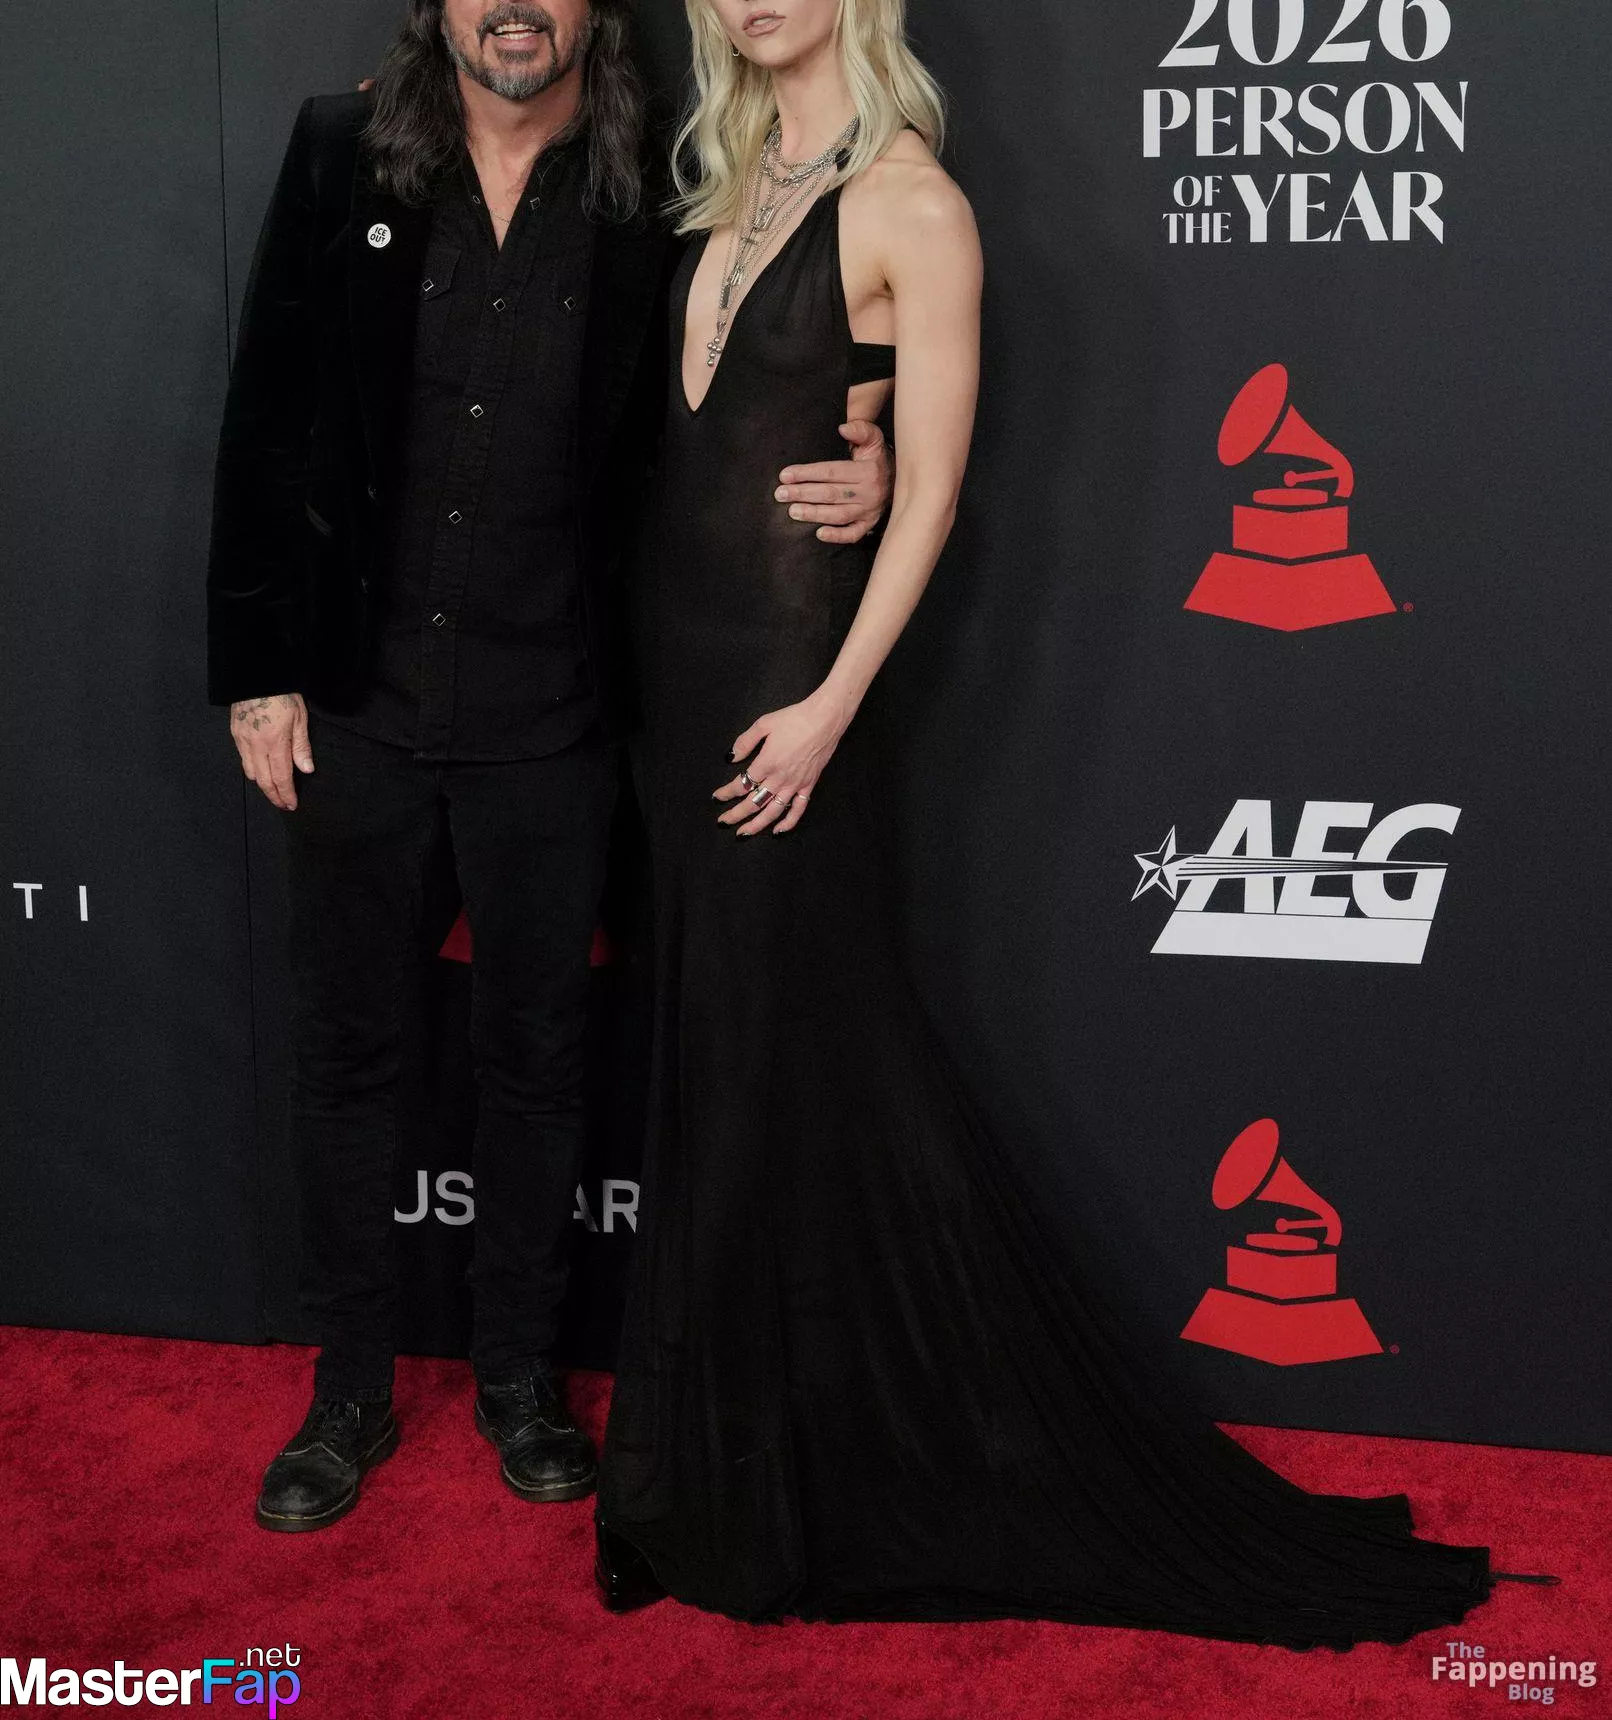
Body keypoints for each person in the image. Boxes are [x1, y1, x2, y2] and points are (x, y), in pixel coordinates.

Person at [590, 0, 1558, 1645]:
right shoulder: (719, 193)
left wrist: (830, 707)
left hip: (789, 703)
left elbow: (933, 494)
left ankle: (783, 1478)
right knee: (724, 1071)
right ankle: (710, 1466)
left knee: (792, 1071)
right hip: (675, 697)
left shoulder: (913, 202)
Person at [205, 0, 892, 1534]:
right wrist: (256, 670)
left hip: (558, 715)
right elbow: (268, 417)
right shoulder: (340, 151)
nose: (514, 5)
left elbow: (761, 360)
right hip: (356, 706)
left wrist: (875, 442)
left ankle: (517, 1376)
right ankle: (347, 1391)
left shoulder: (665, 182)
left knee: (537, 1060)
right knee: (349, 1058)